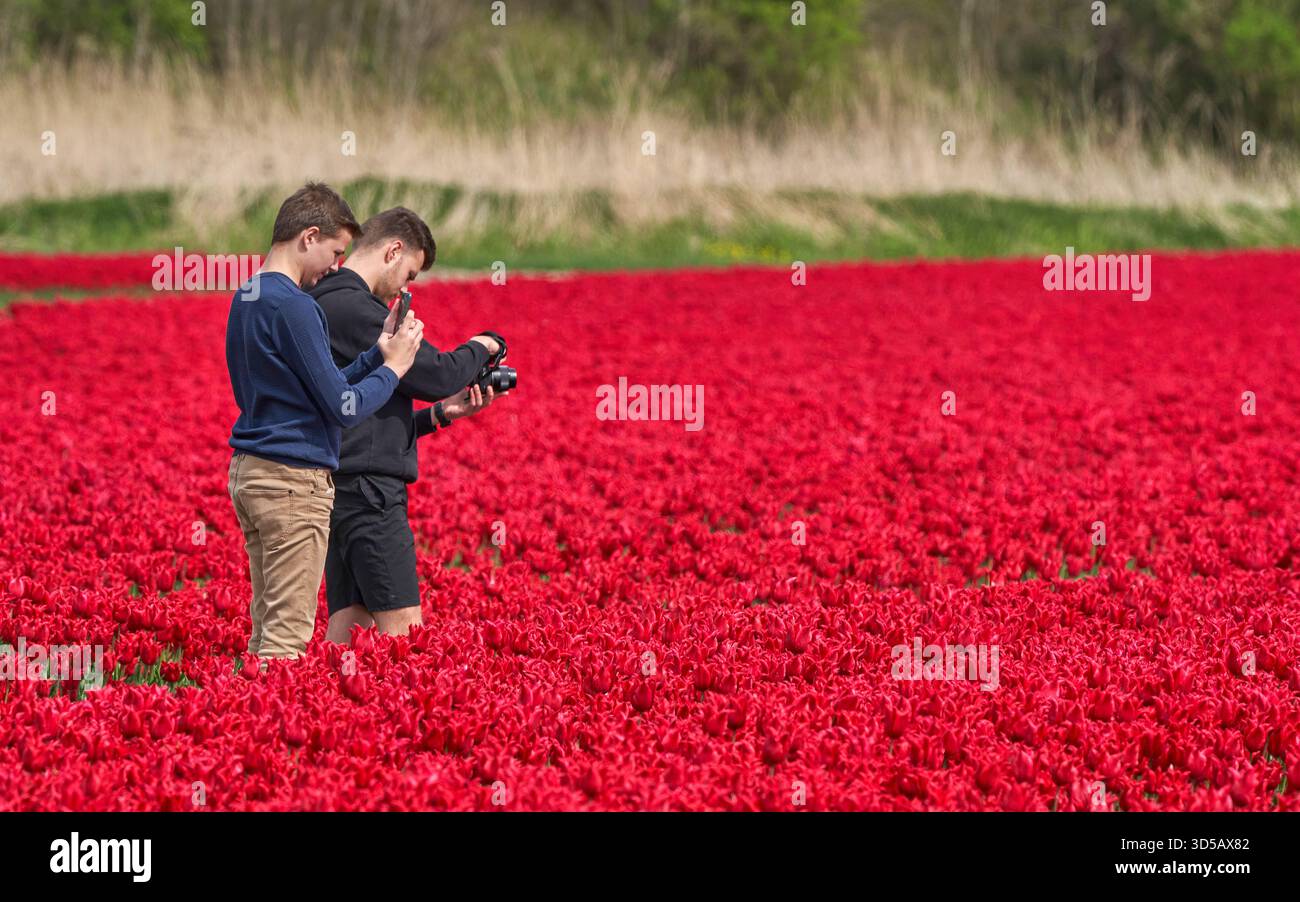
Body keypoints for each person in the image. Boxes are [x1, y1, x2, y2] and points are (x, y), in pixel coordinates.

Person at [225, 184, 425, 659]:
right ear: (308, 237)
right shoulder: (296, 306)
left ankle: (240, 720)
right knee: (287, 639)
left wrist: (376, 354)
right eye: (335, 252)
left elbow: (318, 384)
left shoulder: (248, 295)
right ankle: (263, 729)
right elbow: (343, 407)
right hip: (293, 480)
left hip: (251, 472)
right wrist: (396, 370)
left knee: (265, 627)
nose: (337, 266)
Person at [309, 206, 506, 641]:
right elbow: (437, 373)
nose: (406, 287)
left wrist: (440, 415)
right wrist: (484, 345)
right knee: (406, 637)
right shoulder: (354, 309)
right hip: (370, 496)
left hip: (342, 488)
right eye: (410, 274)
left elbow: (360, 417)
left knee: (349, 630)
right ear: (394, 250)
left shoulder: (326, 301)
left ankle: (328, 709)